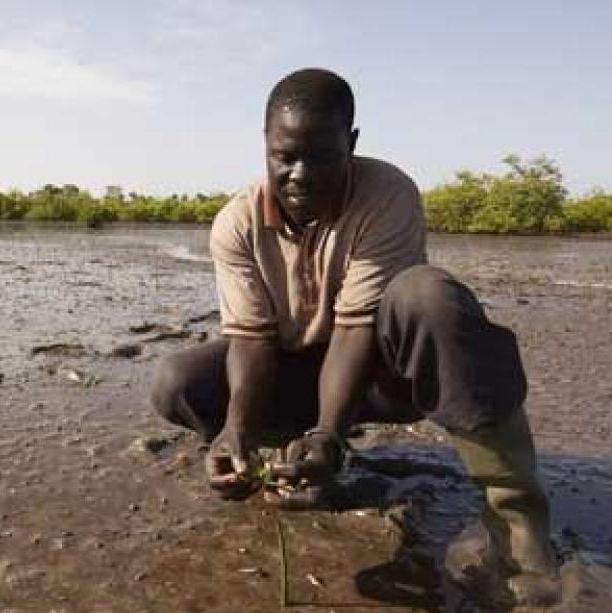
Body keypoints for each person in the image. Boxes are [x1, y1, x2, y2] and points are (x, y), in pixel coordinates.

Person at [149, 68, 559, 605]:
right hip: (296, 368)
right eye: (284, 157)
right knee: (178, 382)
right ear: (265, 146)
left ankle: (516, 527)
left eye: (321, 157)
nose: (299, 175)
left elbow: (356, 327)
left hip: (381, 375)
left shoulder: (386, 194)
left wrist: (329, 434)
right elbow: (251, 339)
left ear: (352, 144)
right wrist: (236, 428)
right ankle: (284, 461)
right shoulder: (237, 223)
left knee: (430, 297)